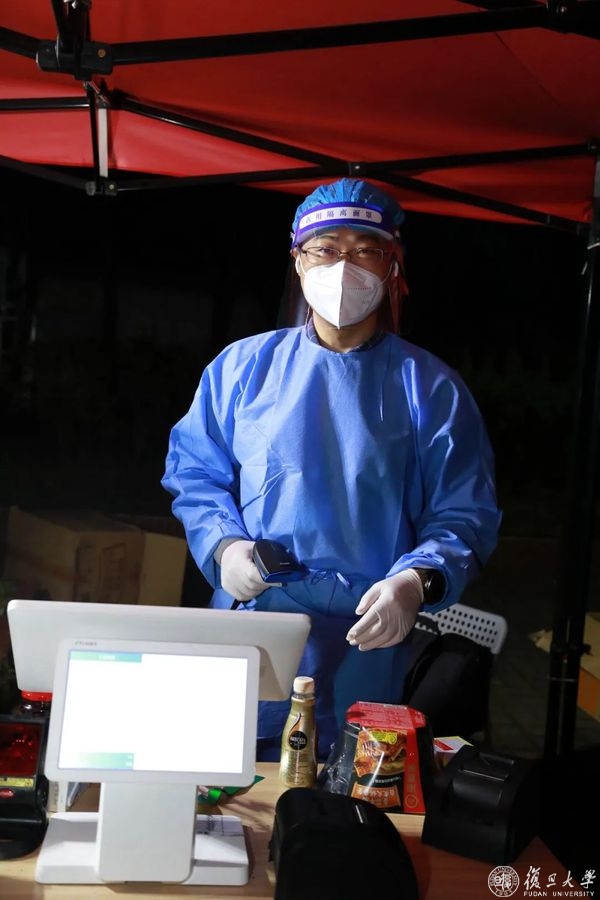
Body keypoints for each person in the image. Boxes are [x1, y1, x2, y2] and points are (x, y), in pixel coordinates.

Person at [162, 178, 502, 760]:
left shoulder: (430, 389)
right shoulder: (242, 369)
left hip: (368, 632)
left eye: (364, 250)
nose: (343, 266)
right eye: (326, 249)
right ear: (299, 261)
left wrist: (414, 582)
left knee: (351, 796)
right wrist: (224, 546)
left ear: (391, 266)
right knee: (237, 785)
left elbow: (463, 512)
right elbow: (196, 473)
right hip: (257, 626)